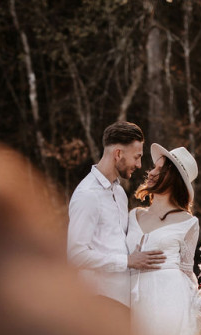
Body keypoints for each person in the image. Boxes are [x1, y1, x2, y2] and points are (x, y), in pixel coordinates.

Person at [67, 121, 166, 309]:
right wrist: (127, 261)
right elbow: (76, 255)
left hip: (123, 301)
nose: (139, 165)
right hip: (99, 301)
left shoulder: (119, 193)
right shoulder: (87, 194)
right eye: (136, 157)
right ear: (118, 154)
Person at [127, 143, 201, 335]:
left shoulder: (188, 222)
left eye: (159, 170)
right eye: (153, 167)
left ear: (173, 179)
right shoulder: (133, 216)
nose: (150, 172)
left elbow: (187, 271)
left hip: (168, 303)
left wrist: (199, 302)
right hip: (130, 300)